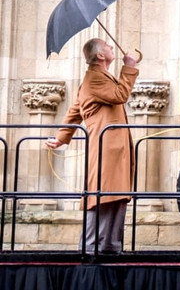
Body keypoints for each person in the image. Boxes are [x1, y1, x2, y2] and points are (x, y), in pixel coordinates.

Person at [45, 38, 140, 254]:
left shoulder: (97, 77)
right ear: (99, 56)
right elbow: (120, 95)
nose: (111, 47)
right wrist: (129, 68)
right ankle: (95, 249)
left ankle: (109, 247)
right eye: (107, 46)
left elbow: (75, 108)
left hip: (113, 147)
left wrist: (62, 137)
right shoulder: (95, 78)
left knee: (115, 196)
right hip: (107, 147)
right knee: (104, 195)